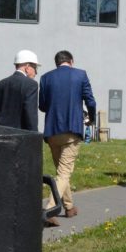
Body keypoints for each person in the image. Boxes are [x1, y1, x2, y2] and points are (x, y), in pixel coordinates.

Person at [38, 50, 96, 217]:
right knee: (64, 173)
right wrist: (91, 118)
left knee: (62, 173)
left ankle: (69, 207)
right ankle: (49, 210)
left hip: (52, 131)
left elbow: (42, 106)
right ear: (71, 61)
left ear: (57, 63)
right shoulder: (80, 75)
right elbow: (90, 101)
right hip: (71, 130)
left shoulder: (45, 78)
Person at [0, 49, 40, 131]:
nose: (36, 72)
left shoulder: (1, 83)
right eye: (35, 68)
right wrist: (34, 134)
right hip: (20, 135)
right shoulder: (31, 85)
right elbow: (30, 115)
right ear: (27, 67)